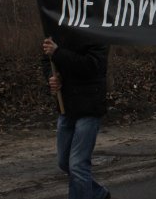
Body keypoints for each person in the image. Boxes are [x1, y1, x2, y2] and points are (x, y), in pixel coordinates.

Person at [42, 36, 111, 199]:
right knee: (65, 162)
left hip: (89, 105)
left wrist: (58, 52)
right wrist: (52, 77)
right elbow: (47, 59)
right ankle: (98, 193)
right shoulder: (57, 27)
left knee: (78, 165)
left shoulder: (96, 29)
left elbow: (92, 66)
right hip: (66, 106)